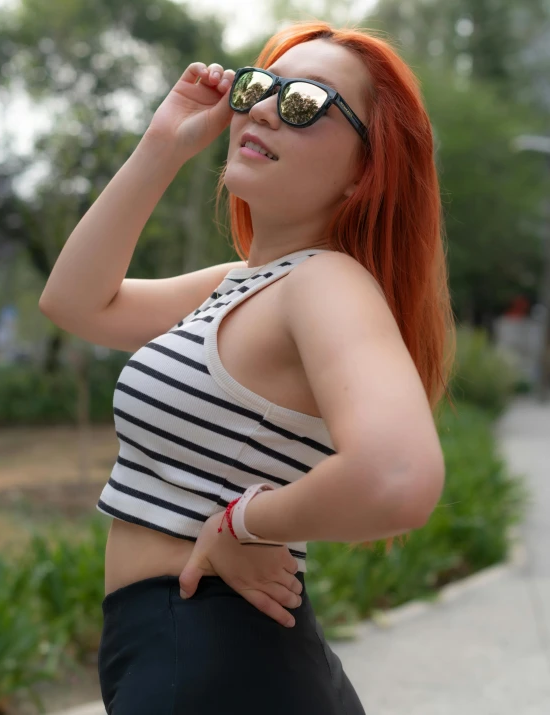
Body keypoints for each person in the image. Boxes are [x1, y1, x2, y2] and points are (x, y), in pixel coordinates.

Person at [39, 19, 455, 715]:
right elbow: (75, 302)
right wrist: (163, 145)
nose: (263, 107)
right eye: (261, 87)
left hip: (219, 656)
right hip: (182, 651)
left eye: (305, 104)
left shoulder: (324, 282)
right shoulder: (243, 282)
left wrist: (243, 524)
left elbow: (398, 475)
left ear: (364, 171)